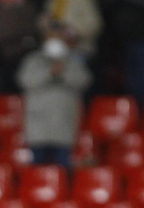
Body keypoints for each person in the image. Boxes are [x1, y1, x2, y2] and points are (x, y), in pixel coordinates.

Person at [18, 26, 91, 168]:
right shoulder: (33, 60)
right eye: (52, 37)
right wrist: (49, 72)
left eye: (59, 37)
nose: (55, 41)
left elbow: (83, 80)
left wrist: (62, 72)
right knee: (37, 172)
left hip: (63, 125)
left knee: (63, 170)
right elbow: (25, 80)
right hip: (38, 127)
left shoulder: (73, 60)